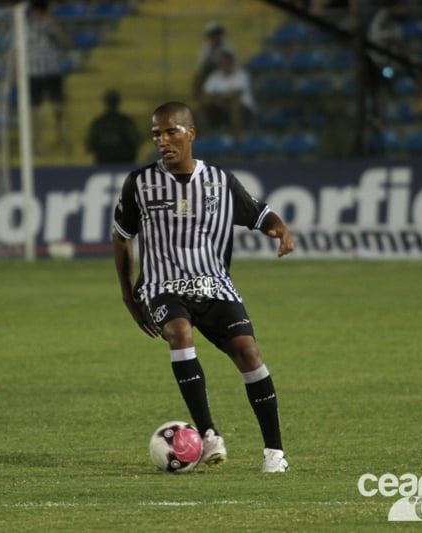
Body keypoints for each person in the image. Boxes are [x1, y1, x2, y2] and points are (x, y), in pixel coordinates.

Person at [112, 101, 294, 473]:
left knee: (249, 353)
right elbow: (121, 237)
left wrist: (279, 228)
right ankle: (209, 434)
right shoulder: (139, 183)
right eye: (157, 134)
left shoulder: (220, 181)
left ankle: (275, 454)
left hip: (214, 286)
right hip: (162, 286)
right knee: (180, 332)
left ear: (190, 133)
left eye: (171, 132)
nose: (163, 141)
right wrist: (128, 294)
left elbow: (258, 212)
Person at [26, 0, 71, 153]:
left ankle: (60, 136)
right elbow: (16, 49)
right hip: (33, 73)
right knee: (34, 110)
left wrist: (54, 26)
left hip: (52, 70)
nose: (35, 14)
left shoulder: (51, 24)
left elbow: (65, 41)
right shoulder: (25, 27)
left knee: (59, 107)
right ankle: (38, 143)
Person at [199, 50, 257, 142]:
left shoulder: (241, 75)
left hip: (244, 110)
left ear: (232, 63)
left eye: (227, 62)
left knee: (234, 105)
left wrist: (217, 98)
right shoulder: (214, 77)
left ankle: (238, 138)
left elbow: (236, 95)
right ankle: (203, 141)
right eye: (223, 63)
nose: (225, 65)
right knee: (202, 107)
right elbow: (206, 95)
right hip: (221, 108)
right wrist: (218, 99)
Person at [85, 89, 142, 164]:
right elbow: (137, 140)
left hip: (115, 161)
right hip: (118, 161)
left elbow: (90, 145)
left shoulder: (99, 123)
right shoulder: (125, 121)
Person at [192, 21, 236, 100]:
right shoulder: (206, 49)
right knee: (198, 77)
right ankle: (200, 99)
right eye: (212, 35)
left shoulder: (227, 48)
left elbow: (232, 63)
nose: (214, 37)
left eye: (216, 35)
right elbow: (202, 63)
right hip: (210, 71)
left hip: (224, 70)